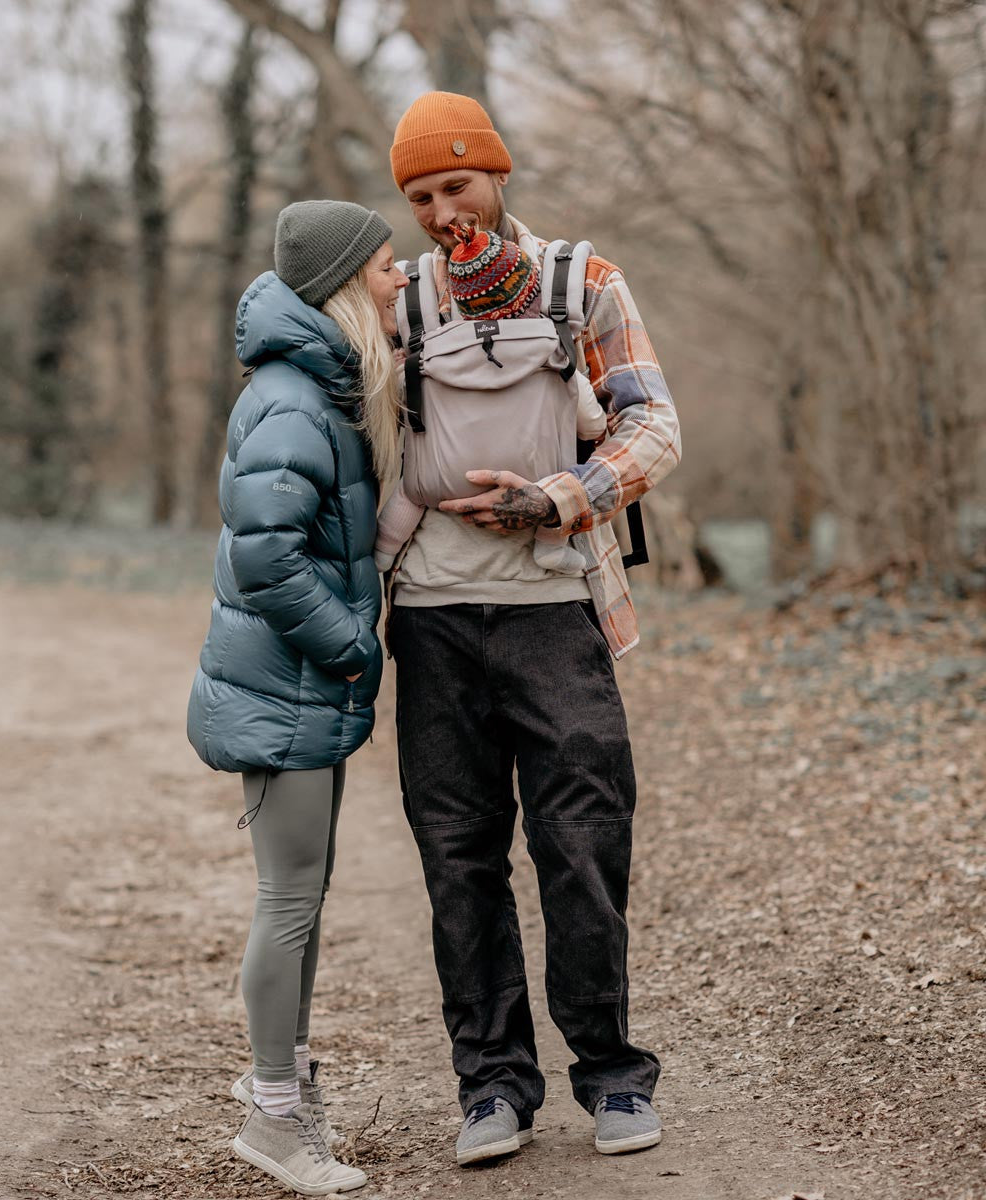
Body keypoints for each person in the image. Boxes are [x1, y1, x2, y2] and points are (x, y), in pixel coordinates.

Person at [378, 91, 683, 1166]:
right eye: (417, 194)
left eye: (455, 183)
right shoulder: (398, 300)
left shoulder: (583, 281)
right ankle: (492, 1089)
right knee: (458, 856)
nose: (438, 209)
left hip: (557, 611)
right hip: (430, 619)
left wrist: (558, 497)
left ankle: (611, 1078)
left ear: (497, 176)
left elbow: (655, 424)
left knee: (583, 842)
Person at [186, 199, 406, 1196]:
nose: (399, 278)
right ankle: (272, 1116)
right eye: (386, 265)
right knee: (287, 904)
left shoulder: (324, 382)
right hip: (288, 686)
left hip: (302, 686)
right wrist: (353, 645)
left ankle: (287, 1090)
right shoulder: (292, 395)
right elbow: (267, 556)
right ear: (342, 283)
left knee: (303, 901)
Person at [373, 221, 607, 574]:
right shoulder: (558, 358)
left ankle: (384, 553)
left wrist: (394, 373)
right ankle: (550, 547)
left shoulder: (430, 354)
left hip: (442, 486)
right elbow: (592, 427)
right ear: (531, 297)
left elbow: (400, 406)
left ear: (463, 305)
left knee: (410, 492)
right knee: (557, 486)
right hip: (533, 484)